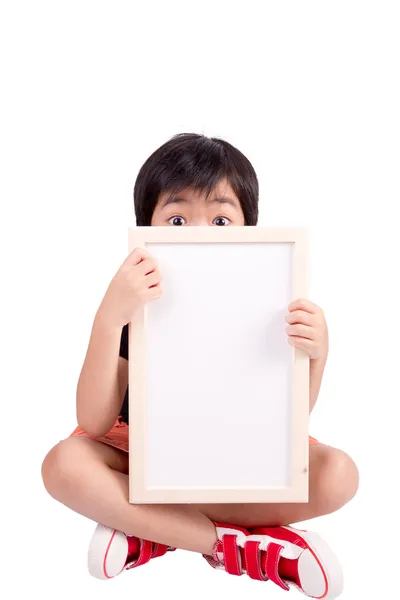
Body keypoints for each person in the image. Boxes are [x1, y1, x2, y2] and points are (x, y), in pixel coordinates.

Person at [41, 133, 359, 598]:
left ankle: (150, 528)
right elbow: (92, 420)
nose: (197, 231)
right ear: (145, 227)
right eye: (175, 218)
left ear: (250, 229)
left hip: (237, 457)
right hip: (141, 457)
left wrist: (318, 353)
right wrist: (110, 317)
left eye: (220, 218)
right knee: (63, 465)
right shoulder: (139, 303)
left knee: (340, 474)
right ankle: (229, 544)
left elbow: (287, 428)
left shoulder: (272, 304)